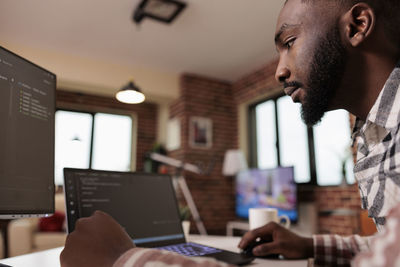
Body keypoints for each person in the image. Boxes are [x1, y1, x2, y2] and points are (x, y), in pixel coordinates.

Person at [60, 0, 400, 266]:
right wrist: (307, 244)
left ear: (357, 25)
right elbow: (389, 247)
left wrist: (124, 260)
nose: (280, 71)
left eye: (290, 42)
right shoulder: (372, 133)